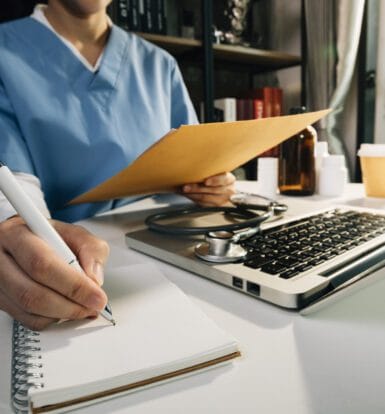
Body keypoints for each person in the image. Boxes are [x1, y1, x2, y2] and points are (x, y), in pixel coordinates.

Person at [0, 0, 236, 330]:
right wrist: (15, 227)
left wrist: (211, 185)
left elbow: (192, 162)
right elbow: (13, 187)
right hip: (71, 270)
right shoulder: (5, 51)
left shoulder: (159, 64)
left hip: (173, 265)